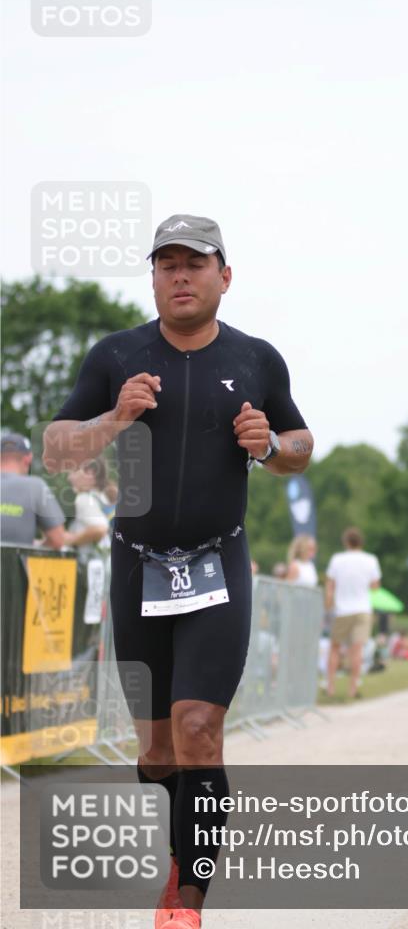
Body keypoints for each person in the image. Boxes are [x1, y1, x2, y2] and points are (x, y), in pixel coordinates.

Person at [43, 214, 313, 929]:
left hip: (219, 563)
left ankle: (187, 900)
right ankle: (180, 846)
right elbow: (56, 449)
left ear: (225, 275)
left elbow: (301, 441)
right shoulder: (116, 355)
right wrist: (114, 420)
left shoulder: (258, 358)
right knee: (159, 752)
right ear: (154, 278)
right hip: (137, 568)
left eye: (194, 263)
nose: (180, 275)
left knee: (199, 729)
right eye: (166, 264)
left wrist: (272, 447)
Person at [325, 527, 381, 699]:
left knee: (335, 648)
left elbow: (330, 585)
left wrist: (328, 603)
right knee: (357, 650)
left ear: (346, 542)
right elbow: (375, 586)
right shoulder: (371, 560)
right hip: (362, 609)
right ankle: (352, 688)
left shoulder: (337, 559)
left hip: (342, 609)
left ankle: (331, 687)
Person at [0, 432, 66, 549]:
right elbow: (58, 540)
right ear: (28, 459)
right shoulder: (35, 486)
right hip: (14, 566)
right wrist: (35, 545)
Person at [63, 457, 111, 558]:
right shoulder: (105, 498)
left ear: (90, 473)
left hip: (90, 570)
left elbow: (100, 528)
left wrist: (69, 540)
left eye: (73, 471)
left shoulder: (84, 499)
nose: (69, 477)